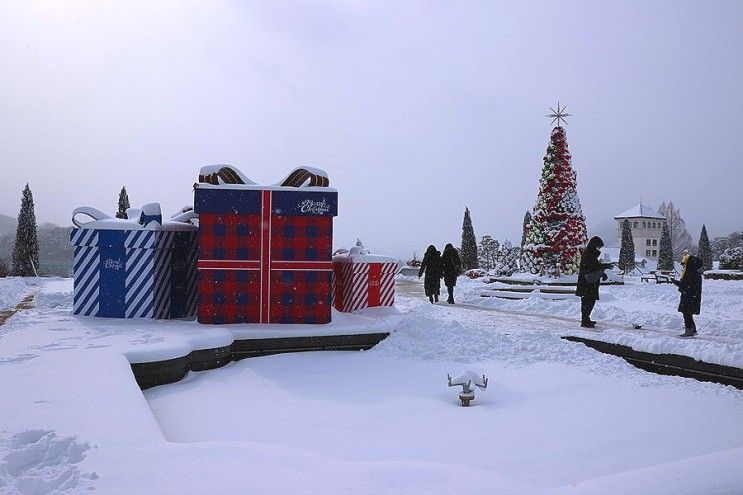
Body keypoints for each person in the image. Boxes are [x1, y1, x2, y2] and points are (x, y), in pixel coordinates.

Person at [575, 236, 614, 328]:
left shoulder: (591, 254)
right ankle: (584, 320)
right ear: (594, 245)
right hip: (586, 283)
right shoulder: (588, 254)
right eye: (598, 247)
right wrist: (605, 267)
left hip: (589, 283)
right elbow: (593, 267)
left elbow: (594, 267)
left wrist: (602, 273)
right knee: (587, 302)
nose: (599, 249)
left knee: (590, 301)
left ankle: (586, 318)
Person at [672, 255, 703, 337]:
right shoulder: (695, 273)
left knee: (687, 313)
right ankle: (693, 329)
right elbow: (686, 285)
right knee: (688, 313)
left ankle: (689, 331)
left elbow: (686, 285)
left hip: (689, 297)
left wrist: (675, 282)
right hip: (691, 297)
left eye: (686, 263)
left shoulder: (691, 274)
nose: (684, 265)